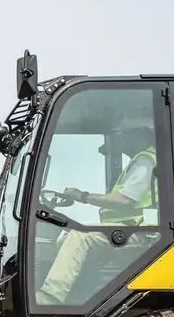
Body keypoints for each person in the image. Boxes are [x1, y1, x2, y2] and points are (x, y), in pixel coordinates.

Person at [35, 128, 157, 306]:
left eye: (126, 135)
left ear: (141, 137)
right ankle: (78, 298)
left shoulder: (145, 160)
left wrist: (84, 196)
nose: (122, 140)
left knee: (80, 236)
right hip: (130, 229)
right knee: (68, 236)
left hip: (139, 231)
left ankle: (49, 299)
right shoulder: (140, 161)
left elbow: (124, 199)